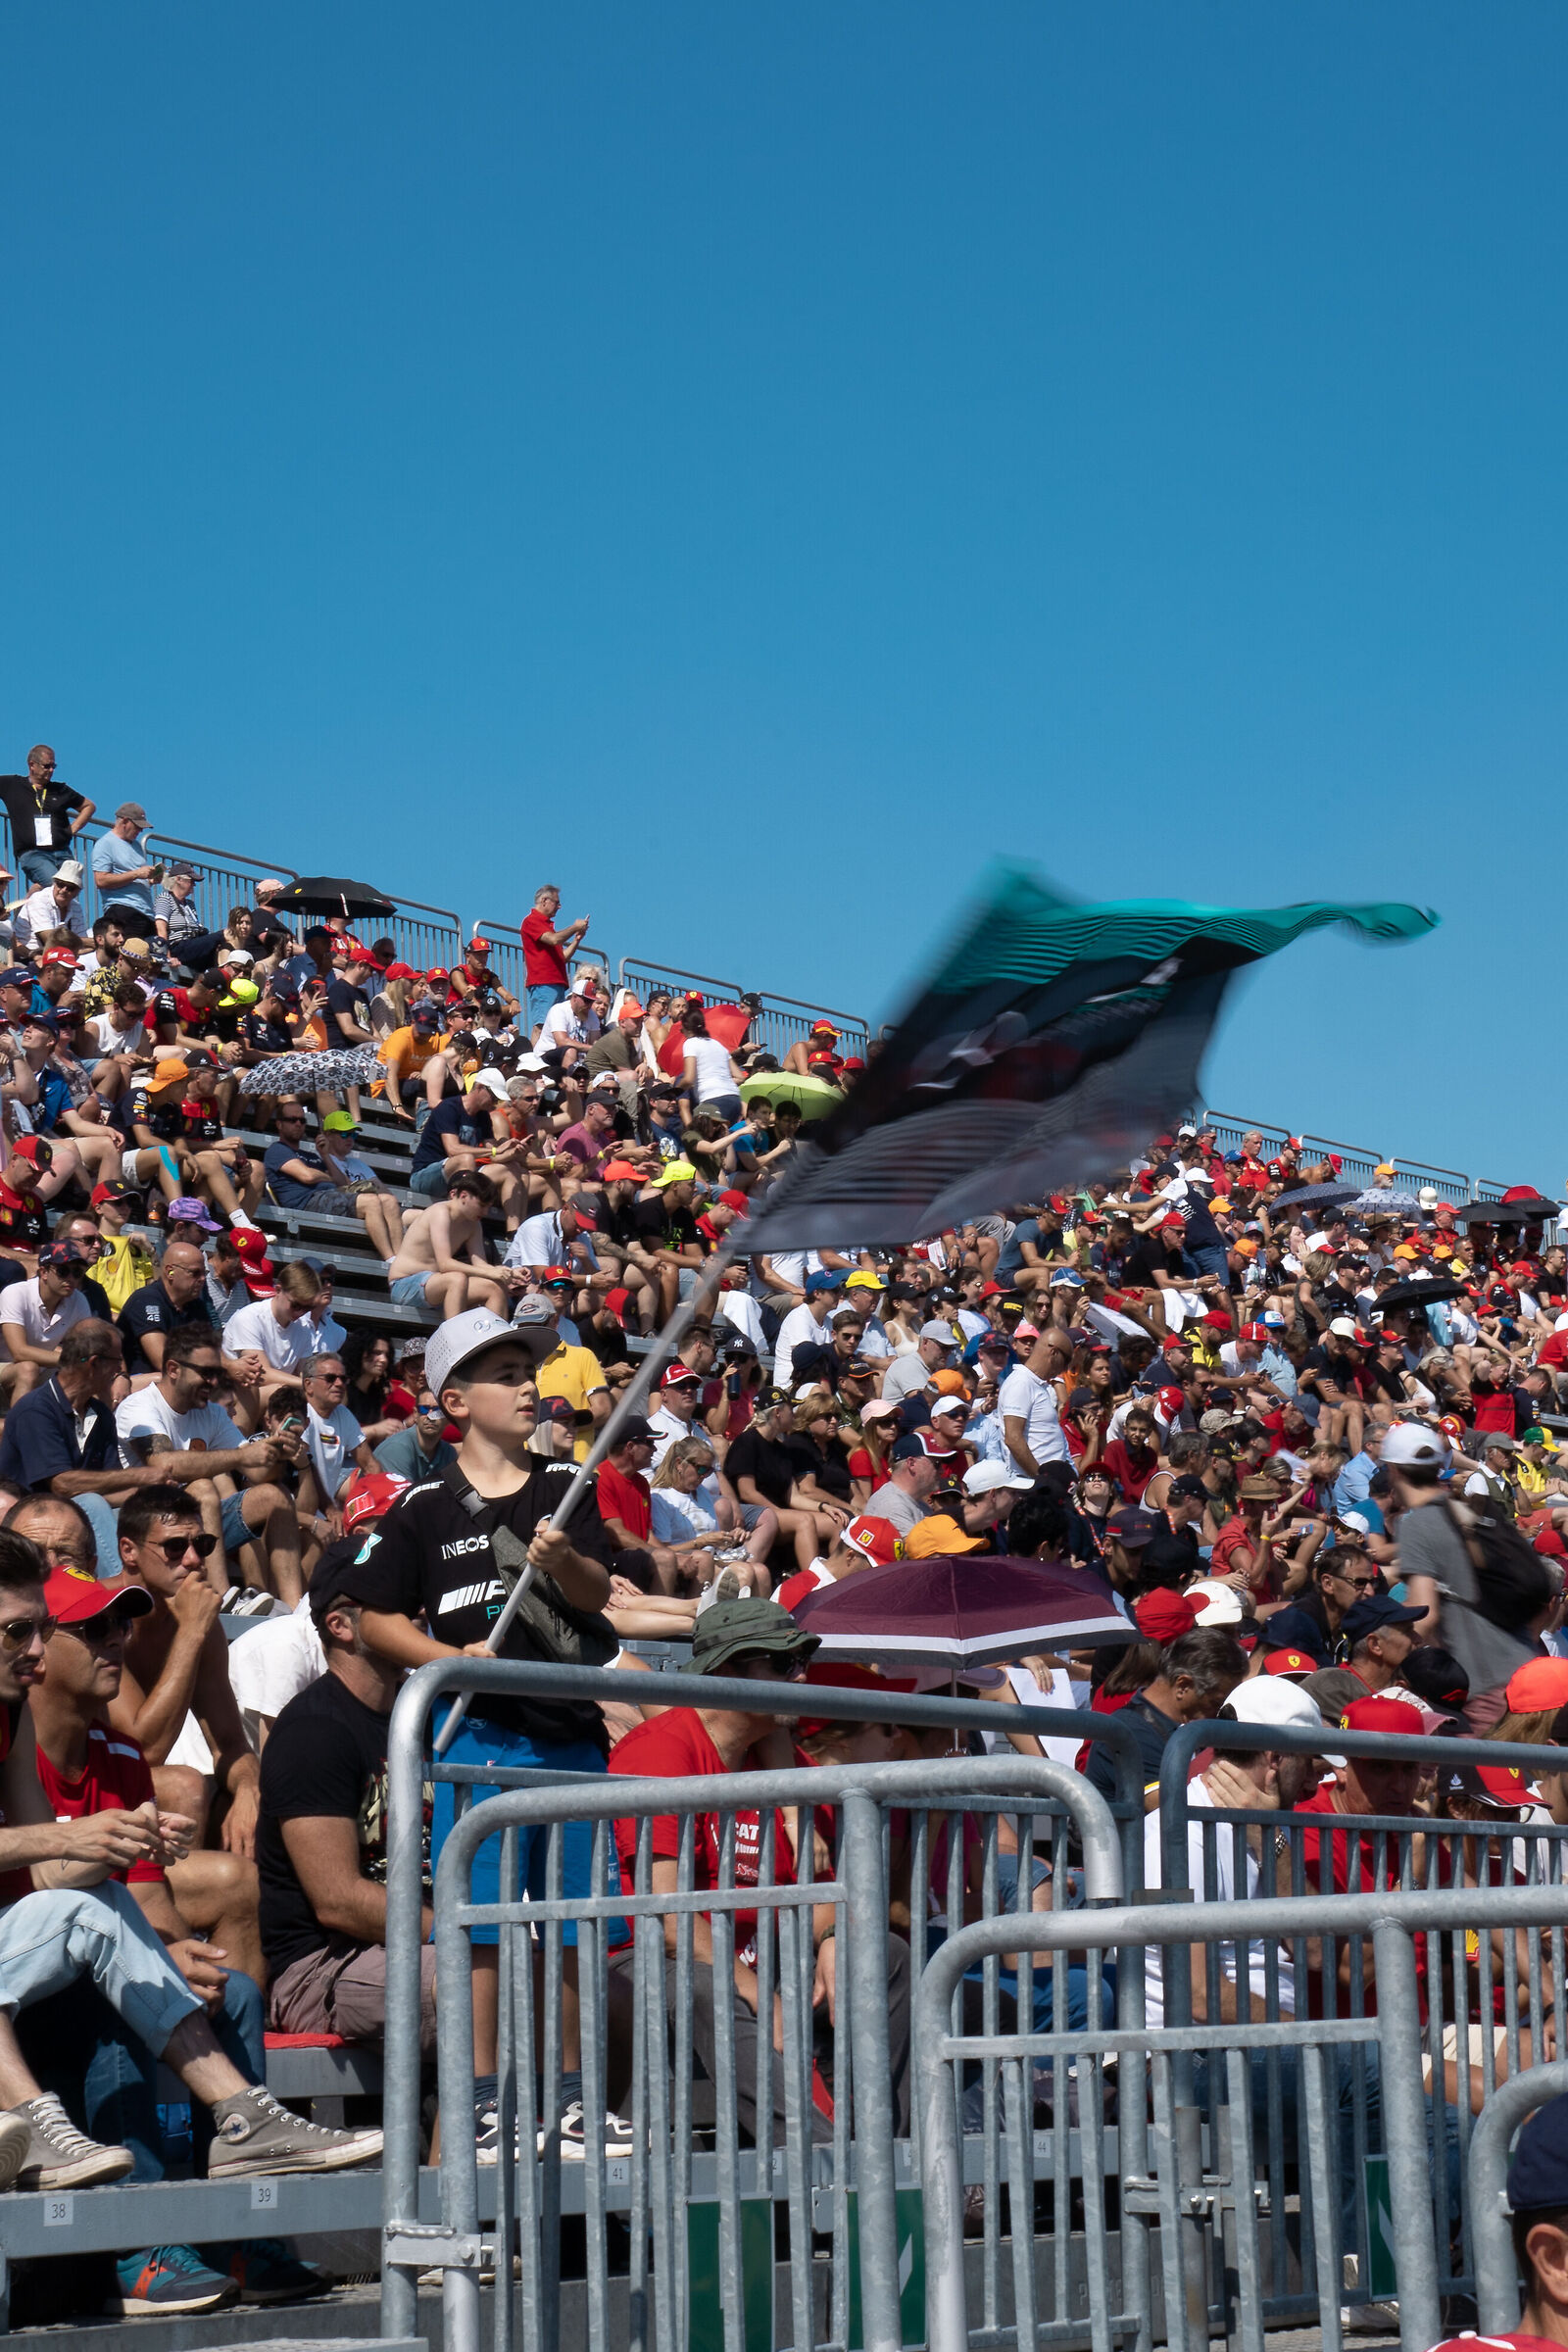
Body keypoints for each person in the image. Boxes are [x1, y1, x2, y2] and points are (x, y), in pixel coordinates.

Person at [344, 1306, 627, 2160]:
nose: (527, 1384)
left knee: (576, 1921)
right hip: (476, 1737)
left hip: (566, 1734)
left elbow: (593, 1596)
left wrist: (563, 1561)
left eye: (526, 1369)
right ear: (455, 1400)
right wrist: (448, 1659)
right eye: (505, 1373)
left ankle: (576, 2101)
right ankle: (481, 2103)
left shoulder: (562, 1486)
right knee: (483, 1927)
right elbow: (372, 1617)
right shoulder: (422, 1506)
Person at [608, 1597, 910, 2149]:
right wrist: (753, 1990)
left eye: (800, 1661)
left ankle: (887, 2149)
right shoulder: (661, 1751)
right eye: (782, 1664)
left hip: (763, 1954)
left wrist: (830, 1938)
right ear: (727, 1671)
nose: (801, 1676)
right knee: (711, 1988)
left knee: (882, 1954)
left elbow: (822, 1888)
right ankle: (826, 2166)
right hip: (654, 1960)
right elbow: (669, 1918)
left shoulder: (783, 1761)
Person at [258, 1544, 437, 2050]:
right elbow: (338, 1902)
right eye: (397, 1601)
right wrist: (459, 1930)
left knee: (593, 1981)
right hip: (323, 1966)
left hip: (417, 1947)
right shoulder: (313, 1731)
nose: (419, 1610)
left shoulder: (426, 1716)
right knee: (488, 1980)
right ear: (341, 1625)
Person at [110, 1486, 265, 1853]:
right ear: (129, 1551)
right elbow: (144, 1751)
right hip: (76, 1788)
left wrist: (249, 1789)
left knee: (268, 1799)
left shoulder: (200, 1624)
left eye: (203, 1545)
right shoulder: (103, 1619)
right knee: (184, 1786)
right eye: (174, 1547)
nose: (194, 1560)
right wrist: (191, 1633)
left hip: (132, 1783)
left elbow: (229, 1743)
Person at [115, 1325, 304, 1603]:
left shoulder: (212, 1413)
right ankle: (221, 1597)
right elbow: (163, 1464)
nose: (214, 1382)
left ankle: (293, 1607)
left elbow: (258, 1472)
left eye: (217, 1374)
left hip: (196, 1525)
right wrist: (243, 1456)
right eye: (206, 1373)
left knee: (275, 1496)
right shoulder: (139, 1406)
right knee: (202, 1489)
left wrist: (279, 1453)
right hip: (150, 1524)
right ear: (173, 1368)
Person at [1388, 1420, 1540, 1731]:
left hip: (1486, 1682)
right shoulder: (1466, 1509)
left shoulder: (1417, 1522)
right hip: (1527, 1668)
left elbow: (1423, 1616)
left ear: (1395, 1470)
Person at [1081, 1626, 1250, 1807]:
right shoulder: (1131, 1731)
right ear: (1183, 1685)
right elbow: (1167, 1810)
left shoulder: (1180, 1726)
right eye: (1217, 1702)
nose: (1220, 1713)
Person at [261, 1099, 402, 1260]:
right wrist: (326, 1177)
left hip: (328, 1197)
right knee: (370, 1201)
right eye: (292, 1120)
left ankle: (400, 1257)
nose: (298, 1124)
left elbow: (343, 1183)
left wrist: (325, 1155)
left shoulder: (312, 1156)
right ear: (279, 1124)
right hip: (307, 1203)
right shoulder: (277, 1150)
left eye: (302, 1120)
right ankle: (390, 1259)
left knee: (389, 1201)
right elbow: (307, 1176)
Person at [384, 1165, 510, 1320]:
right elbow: (445, 1264)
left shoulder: (473, 1224)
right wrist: (490, 1272)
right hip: (405, 1284)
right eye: (482, 1206)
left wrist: (505, 1272)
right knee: (456, 1278)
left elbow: (481, 1265)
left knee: (495, 1288)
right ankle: (453, 1340)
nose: (485, 1213)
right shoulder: (440, 1212)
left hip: (437, 1285)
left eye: (488, 1207)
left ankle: (494, 1342)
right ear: (463, 1196)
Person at [0, 1241, 95, 1400]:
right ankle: (19, 1425)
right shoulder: (16, 1293)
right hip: (6, 1367)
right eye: (63, 1271)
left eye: (77, 1272)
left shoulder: (79, 1300)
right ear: (43, 1272)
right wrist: (73, 1359)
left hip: (42, 1369)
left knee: (89, 1373)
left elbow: (88, 1346)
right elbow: (19, 1352)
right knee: (28, 1368)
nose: (71, 1278)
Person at [116, 1235, 218, 1376]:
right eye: (195, 1273)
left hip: (179, 1378)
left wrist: (233, 1366)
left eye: (204, 1273)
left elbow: (212, 1349)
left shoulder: (196, 1306)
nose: (202, 1279)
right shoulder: (146, 1300)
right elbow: (163, 1361)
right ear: (170, 1272)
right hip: (139, 1383)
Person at [0, 746, 95, 889]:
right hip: (33, 853)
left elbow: (89, 806)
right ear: (32, 765)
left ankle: (33, 896)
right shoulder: (13, 785)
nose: (51, 770)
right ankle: (31, 901)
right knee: (56, 887)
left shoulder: (60, 789)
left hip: (62, 851)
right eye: (47, 766)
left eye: (53, 766)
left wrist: (73, 829)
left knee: (70, 891)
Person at [520, 886, 590, 1040]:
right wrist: (574, 927)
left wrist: (577, 939)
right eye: (556, 902)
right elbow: (554, 939)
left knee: (556, 1024)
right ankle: (535, 1060)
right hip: (543, 982)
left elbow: (563, 957)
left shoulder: (547, 926)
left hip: (556, 982)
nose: (559, 906)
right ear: (544, 901)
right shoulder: (532, 921)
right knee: (542, 1024)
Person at [90, 803, 160, 929]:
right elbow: (101, 880)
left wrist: (151, 880)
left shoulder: (137, 846)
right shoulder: (105, 844)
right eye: (137, 826)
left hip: (146, 913)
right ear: (125, 821)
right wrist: (137, 874)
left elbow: (133, 878)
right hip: (123, 911)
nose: (141, 830)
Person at [373, 1384, 457, 1484]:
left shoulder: (449, 1453)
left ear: (447, 1417)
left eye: (437, 1411)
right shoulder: (397, 1448)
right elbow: (402, 1497)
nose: (430, 1416)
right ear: (415, 1414)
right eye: (424, 1409)